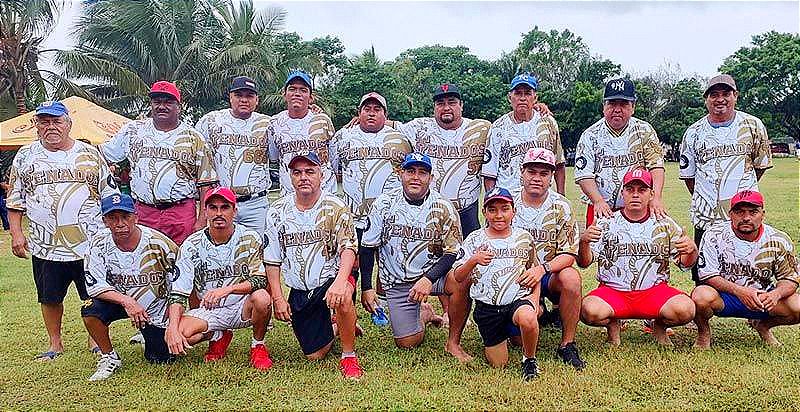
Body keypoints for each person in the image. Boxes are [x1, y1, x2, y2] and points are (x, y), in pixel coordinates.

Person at [7, 101, 119, 361]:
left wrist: (111, 233)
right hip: (46, 244)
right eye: (44, 122)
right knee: (49, 297)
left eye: (56, 121)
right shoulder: (25, 155)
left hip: (89, 243)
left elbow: (110, 195)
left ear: (68, 124)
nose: (50, 127)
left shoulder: (90, 154)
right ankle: (55, 344)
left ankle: (95, 339)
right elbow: (15, 201)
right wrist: (16, 233)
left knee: (93, 292)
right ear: (36, 126)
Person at [359, 152, 473, 362]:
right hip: (397, 281)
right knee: (407, 343)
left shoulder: (444, 207)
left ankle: (453, 343)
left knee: (463, 278)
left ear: (431, 178)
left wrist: (428, 279)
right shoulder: (383, 204)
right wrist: (367, 287)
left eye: (422, 172)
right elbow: (367, 246)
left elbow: (453, 251)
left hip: (434, 276)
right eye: (410, 171)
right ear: (400, 174)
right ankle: (425, 313)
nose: (415, 177)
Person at [264, 152, 364, 379]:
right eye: (297, 172)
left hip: (332, 277)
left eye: (310, 172)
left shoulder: (335, 206)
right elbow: (272, 258)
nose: (303, 177)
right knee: (315, 354)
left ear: (322, 175)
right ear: (290, 177)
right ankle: (339, 326)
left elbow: (348, 248)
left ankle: (349, 356)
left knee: (344, 296)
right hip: (302, 287)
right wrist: (278, 298)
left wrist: (341, 282)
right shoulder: (277, 211)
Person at [578, 168, 698, 346]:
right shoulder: (606, 222)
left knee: (686, 309)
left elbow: (685, 264)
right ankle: (613, 326)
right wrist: (584, 242)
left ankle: (659, 326)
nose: (635, 195)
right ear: (622, 193)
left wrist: (691, 250)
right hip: (613, 291)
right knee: (589, 311)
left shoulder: (663, 222)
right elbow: (584, 263)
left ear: (651, 194)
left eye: (641, 190)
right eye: (630, 189)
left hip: (654, 292)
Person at [164, 187, 274, 370]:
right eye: (213, 208)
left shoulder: (250, 237)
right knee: (182, 335)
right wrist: (173, 327)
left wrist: (227, 290)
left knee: (262, 297)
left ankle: (258, 345)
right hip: (209, 309)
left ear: (234, 211)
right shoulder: (191, 245)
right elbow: (178, 292)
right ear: (205, 211)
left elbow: (260, 280)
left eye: (225, 207)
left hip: (242, 306)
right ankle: (218, 335)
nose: (219, 213)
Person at [678, 74, 772, 283]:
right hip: (707, 215)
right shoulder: (693, 132)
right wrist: (710, 196)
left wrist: (739, 193)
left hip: (744, 212)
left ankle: (755, 312)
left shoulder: (753, 125)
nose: (720, 99)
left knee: (751, 266)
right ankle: (703, 312)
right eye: (714, 94)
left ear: (735, 96)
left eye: (726, 93)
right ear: (706, 99)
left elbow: (759, 166)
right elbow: (689, 177)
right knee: (704, 275)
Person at [101, 80, 218, 245]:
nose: (162, 106)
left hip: (180, 212)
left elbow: (206, 184)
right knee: (146, 261)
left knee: (181, 260)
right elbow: (104, 156)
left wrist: (202, 220)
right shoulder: (132, 131)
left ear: (179, 106)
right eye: (157, 102)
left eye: (168, 102)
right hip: (143, 211)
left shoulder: (194, 138)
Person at [81, 193, 178, 380]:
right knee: (90, 310)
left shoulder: (159, 242)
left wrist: (172, 312)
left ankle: (148, 333)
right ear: (104, 221)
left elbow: (181, 280)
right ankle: (109, 357)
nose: (120, 223)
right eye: (113, 218)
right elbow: (94, 285)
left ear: (136, 217)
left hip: (155, 308)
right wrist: (128, 301)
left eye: (125, 217)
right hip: (119, 301)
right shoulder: (97, 244)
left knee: (161, 358)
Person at [453, 187, 542, 379]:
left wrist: (534, 298)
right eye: (492, 210)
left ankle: (529, 359)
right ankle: (506, 335)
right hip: (488, 308)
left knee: (528, 318)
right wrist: (473, 260)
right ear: (484, 212)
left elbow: (535, 271)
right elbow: (458, 277)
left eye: (504, 209)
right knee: (498, 364)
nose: (499, 215)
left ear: (513, 211)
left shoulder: (524, 238)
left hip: (517, 301)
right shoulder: (475, 239)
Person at [691, 190, 800, 348]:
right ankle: (703, 333)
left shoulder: (778, 239)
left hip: (762, 298)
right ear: (730, 214)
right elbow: (708, 275)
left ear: (763, 214)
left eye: (753, 212)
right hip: (725, 296)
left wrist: (775, 294)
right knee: (700, 296)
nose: (746, 217)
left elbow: (790, 279)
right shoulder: (714, 235)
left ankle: (763, 326)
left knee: (797, 306)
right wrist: (740, 292)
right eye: (739, 212)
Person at [511, 148, 585, 370]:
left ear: (552, 176)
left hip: (548, 274)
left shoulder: (561, 206)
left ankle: (567, 343)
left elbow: (569, 254)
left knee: (571, 278)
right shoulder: (508, 201)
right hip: (516, 276)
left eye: (544, 173)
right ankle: (539, 313)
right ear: (522, 172)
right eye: (531, 171)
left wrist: (542, 269)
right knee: (516, 341)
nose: (536, 178)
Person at [574, 78, 666, 226]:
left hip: (638, 208)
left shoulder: (644, 130)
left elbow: (656, 166)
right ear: (604, 106)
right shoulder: (590, 135)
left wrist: (656, 198)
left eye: (623, 104)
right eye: (612, 103)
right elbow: (584, 175)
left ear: (633, 107)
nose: (617, 109)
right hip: (601, 207)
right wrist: (598, 201)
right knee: (594, 247)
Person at [195, 76, 271, 233]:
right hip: (221, 202)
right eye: (238, 95)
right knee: (220, 250)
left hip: (255, 204)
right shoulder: (211, 121)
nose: (244, 100)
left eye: (249, 96)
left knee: (256, 250)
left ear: (257, 100)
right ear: (230, 97)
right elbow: (198, 159)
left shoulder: (269, 124)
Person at [483, 73, 566, 195]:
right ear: (509, 97)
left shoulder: (548, 122)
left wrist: (561, 196)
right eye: (517, 93)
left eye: (527, 93)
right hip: (509, 198)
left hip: (543, 197)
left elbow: (558, 163)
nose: (522, 98)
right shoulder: (497, 128)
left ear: (535, 97)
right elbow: (490, 172)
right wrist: (491, 199)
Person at [267, 70, 337, 196]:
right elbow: (274, 156)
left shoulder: (322, 120)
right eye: (292, 89)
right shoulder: (274, 123)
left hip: (324, 195)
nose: (297, 94)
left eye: (303, 90)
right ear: (284, 94)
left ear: (311, 98)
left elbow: (334, 158)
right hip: (290, 196)